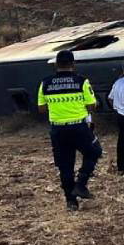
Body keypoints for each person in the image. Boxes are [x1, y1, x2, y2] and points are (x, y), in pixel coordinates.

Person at [38, 50, 103, 211]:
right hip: (79, 127)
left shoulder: (45, 83)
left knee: (65, 166)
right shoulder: (81, 81)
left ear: (56, 65)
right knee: (94, 151)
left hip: (58, 129)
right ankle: (81, 184)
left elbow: (41, 108)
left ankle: (71, 202)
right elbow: (91, 105)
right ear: (73, 64)